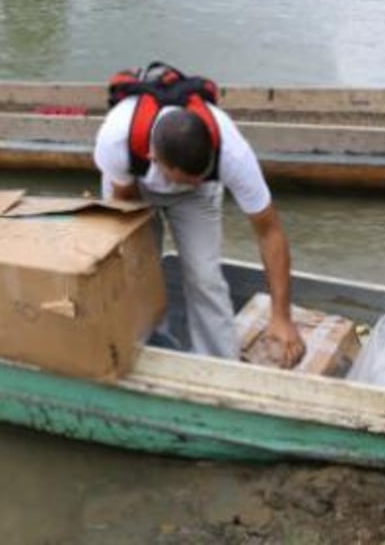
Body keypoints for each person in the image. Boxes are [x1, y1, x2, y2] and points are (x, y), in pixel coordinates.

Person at [93, 64, 304, 367]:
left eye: (200, 175)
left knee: (205, 277)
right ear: (155, 158)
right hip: (134, 189)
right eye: (184, 178)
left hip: (197, 199)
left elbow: (270, 230)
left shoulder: (233, 154)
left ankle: (220, 365)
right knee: (138, 272)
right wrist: (140, 259)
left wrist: (281, 317)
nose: (193, 180)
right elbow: (124, 211)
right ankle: (150, 351)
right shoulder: (116, 141)